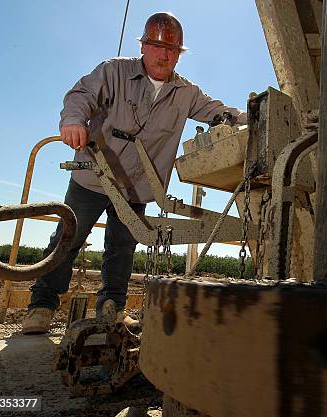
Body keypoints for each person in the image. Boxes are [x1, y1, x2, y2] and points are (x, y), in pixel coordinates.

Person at [22, 12, 246, 334]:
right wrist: (72, 121)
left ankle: (112, 307)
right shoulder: (114, 71)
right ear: (143, 47)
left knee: (123, 246)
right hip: (94, 176)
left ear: (179, 53)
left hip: (137, 186)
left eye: (171, 49)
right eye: (156, 46)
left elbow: (217, 111)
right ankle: (41, 306)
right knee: (68, 238)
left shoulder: (186, 92)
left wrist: (249, 117)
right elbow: (81, 96)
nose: (164, 54)